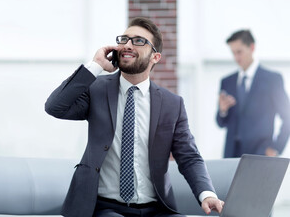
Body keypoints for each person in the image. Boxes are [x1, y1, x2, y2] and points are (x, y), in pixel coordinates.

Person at [45, 17, 224, 217]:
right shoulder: (96, 89)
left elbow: (189, 156)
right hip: (105, 208)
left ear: (155, 57)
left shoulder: (172, 104)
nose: (127, 45)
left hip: (156, 209)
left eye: (138, 41)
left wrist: (207, 194)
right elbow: (55, 107)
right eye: (124, 40)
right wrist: (95, 65)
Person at [216, 29, 290, 158]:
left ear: (252, 47)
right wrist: (222, 110)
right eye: (233, 53)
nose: (236, 58)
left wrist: (276, 148)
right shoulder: (227, 82)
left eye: (239, 52)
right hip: (232, 155)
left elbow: (287, 116)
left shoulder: (272, 79)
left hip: (261, 153)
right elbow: (221, 122)